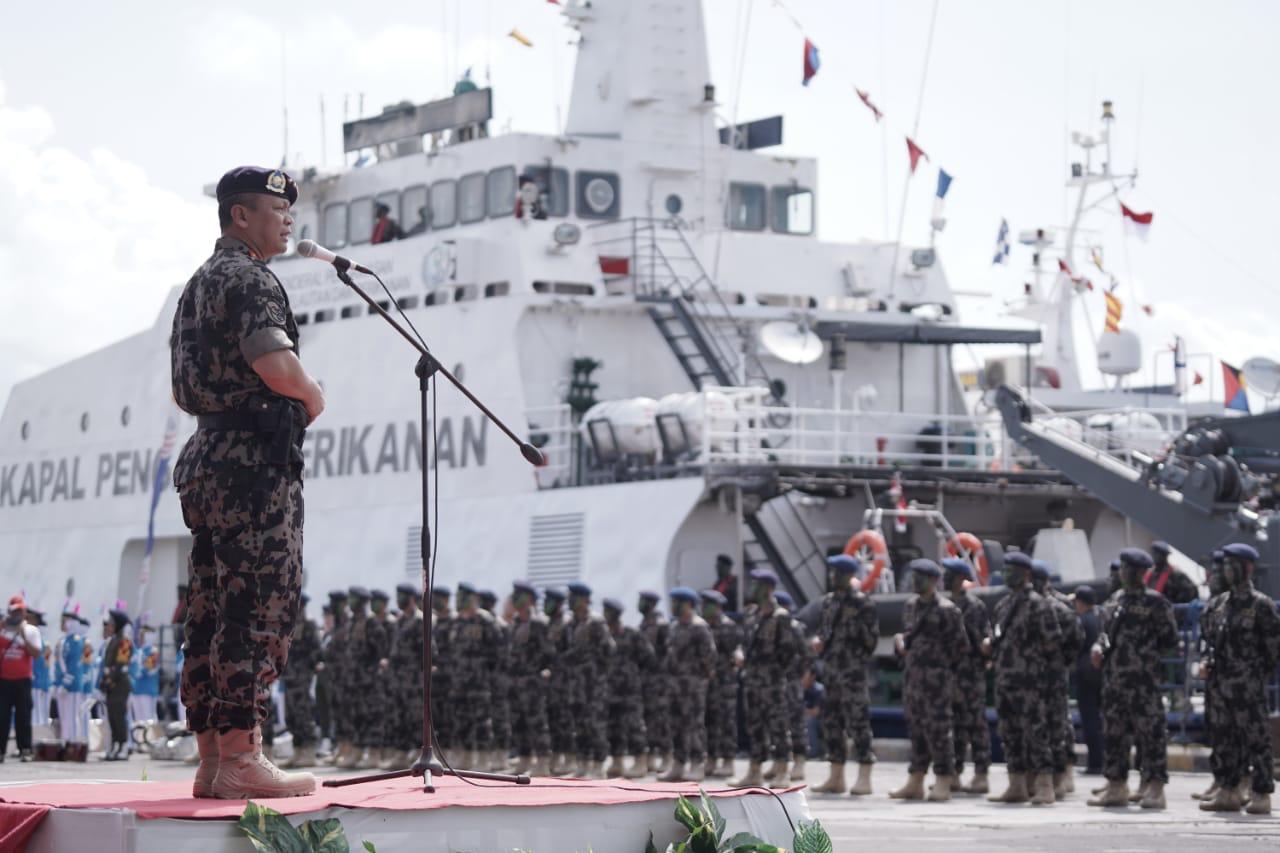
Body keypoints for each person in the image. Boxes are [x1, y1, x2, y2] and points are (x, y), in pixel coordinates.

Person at [171, 165, 321, 799]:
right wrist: (312, 396)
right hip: (252, 467)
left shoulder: (199, 282)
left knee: (209, 609)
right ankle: (242, 754)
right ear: (240, 216)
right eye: (275, 209)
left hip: (209, 455)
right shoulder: (249, 278)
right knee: (257, 603)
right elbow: (274, 363)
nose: (287, 219)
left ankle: (212, 759)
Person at [1087, 548, 1179, 810]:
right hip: (1114, 680)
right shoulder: (1114, 600)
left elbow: (1170, 639)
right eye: (1123, 568)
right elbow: (1105, 634)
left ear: (1141, 573)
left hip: (1143, 682)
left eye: (1130, 569)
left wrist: (1145, 653)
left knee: (1151, 734)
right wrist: (1098, 648)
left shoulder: (1156, 602)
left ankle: (1154, 786)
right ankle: (1116, 786)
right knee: (1114, 734)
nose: (1125, 573)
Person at [1198, 543, 1280, 814]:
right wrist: (1206, 662)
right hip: (1220, 685)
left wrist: (1254, 674)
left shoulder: (1261, 605)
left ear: (1247, 568)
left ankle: (1260, 792)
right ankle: (1228, 790)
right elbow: (1208, 641)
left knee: (1256, 738)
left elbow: (1273, 649)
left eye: (1233, 565)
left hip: (1248, 686)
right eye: (1225, 565)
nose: (1227, 571)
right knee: (1224, 739)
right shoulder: (1218, 605)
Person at [984, 551, 1062, 805]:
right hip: (1005, 679)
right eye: (1006, 570)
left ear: (1026, 574)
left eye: (1012, 571)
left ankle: (1044, 784)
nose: (1008, 575)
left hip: (1030, 681)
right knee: (1009, 732)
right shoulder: (1003, 606)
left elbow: (1053, 644)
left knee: (1036, 732)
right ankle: (1016, 784)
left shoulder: (1039, 605)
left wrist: (1041, 675)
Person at [891, 559, 967, 802]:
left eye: (920, 577)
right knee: (917, 729)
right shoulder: (911, 606)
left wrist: (938, 665)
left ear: (933, 580)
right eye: (914, 577)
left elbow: (960, 647)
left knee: (939, 730)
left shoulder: (947, 610)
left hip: (936, 682)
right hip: (913, 679)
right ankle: (916, 779)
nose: (915, 581)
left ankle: (944, 778)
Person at [812, 555, 880, 796]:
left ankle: (864, 774)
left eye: (838, 573)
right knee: (831, 723)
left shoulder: (862, 604)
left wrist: (853, 630)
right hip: (831, 672)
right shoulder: (829, 602)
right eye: (833, 573)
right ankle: (836, 775)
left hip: (852, 674)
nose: (833, 577)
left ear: (849, 575)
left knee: (858, 723)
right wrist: (820, 641)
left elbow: (871, 641)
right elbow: (825, 630)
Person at [734, 569, 801, 789]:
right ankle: (755, 770)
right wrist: (740, 653)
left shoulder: (780, 617)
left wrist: (773, 669)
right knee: (754, 726)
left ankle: (782, 770)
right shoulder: (752, 614)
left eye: (757, 584)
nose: (752, 588)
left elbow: (789, 652)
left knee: (778, 726)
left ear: (769, 588)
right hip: (752, 681)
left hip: (772, 682)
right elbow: (744, 642)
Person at [1031, 560, 1084, 798]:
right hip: (1036, 675)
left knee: (1056, 724)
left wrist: (1060, 662)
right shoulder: (1027, 604)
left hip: (1052, 676)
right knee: (1047, 725)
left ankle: (1060, 776)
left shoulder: (1059, 607)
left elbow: (1076, 639)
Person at [941, 557, 992, 795]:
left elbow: (984, 639)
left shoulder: (974, 606)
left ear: (960, 578)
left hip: (970, 673)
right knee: (954, 725)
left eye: (949, 574)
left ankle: (981, 774)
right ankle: (954, 772)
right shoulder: (943, 604)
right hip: (948, 674)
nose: (945, 578)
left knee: (975, 723)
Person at [660, 587, 715, 782]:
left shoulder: (699, 627)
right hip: (675, 684)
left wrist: (699, 678)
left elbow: (709, 656)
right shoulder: (674, 626)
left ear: (689, 604)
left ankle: (697, 763)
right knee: (675, 724)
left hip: (693, 685)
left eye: (678, 602)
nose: (674, 606)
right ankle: (678, 762)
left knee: (694, 725)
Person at [564, 582, 615, 778]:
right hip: (576, 684)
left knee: (595, 724)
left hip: (593, 684)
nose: (569, 600)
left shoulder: (595, 622)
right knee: (579, 725)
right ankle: (583, 763)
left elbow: (609, 651)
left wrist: (596, 671)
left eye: (573, 597)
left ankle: (598, 765)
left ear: (584, 600)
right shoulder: (571, 623)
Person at [450, 582, 499, 770]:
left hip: (480, 681)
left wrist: (488, 674)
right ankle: (465, 757)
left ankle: (484, 758)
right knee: (461, 721)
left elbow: (498, 650)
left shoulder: (485, 620)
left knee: (482, 722)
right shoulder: (457, 621)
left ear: (473, 599)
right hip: (460, 680)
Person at [507, 581, 553, 777]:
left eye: (519, 595)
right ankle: (524, 759)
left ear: (529, 599)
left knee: (537, 722)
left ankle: (542, 761)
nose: (514, 598)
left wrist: (544, 672)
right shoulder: (517, 622)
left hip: (532, 682)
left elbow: (549, 652)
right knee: (518, 722)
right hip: (516, 681)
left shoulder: (539, 623)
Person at [602, 598, 652, 779]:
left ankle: (640, 761)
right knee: (613, 726)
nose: (605, 616)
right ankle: (617, 761)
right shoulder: (604, 635)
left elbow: (648, 656)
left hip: (629, 689)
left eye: (608, 612)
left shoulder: (632, 634)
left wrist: (633, 674)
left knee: (634, 725)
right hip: (610, 688)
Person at [699, 589, 742, 779]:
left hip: (725, 682)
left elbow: (737, 649)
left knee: (726, 721)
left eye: (707, 604)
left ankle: (728, 760)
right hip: (707, 682)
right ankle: (711, 758)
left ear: (717, 607)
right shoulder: (702, 626)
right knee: (709, 721)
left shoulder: (728, 626)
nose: (703, 608)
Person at [774, 590, 814, 782]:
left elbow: (806, 654)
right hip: (776, 681)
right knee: (777, 723)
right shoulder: (772, 626)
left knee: (796, 722)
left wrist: (803, 676)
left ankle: (799, 761)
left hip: (792, 681)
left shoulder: (795, 628)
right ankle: (778, 762)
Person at [280, 594, 321, 769]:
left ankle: (309, 751)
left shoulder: (309, 624)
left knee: (303, 713)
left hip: (302, 677)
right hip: (289, 676)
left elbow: (316, 650)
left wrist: (306, 667)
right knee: (291, 714)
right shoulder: (288, 624)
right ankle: (297, 750)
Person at [0, 596, 43, 762]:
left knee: (23, 716)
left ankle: (25, 749)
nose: (17, 614)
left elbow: (36, 653)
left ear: (24, 612)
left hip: (23, 680)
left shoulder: (31, 630)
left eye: (20, 611)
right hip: (4, 680)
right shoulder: (2, 629)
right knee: (2, 716)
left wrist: (23, 635)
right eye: (14, 611)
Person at [387, 583, 425, 769]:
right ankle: (401, 753)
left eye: (402, 596)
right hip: (399, 678)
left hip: (414, 679)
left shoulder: (420, 620)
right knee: (399, 717)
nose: (398, 600)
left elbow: (427, 651)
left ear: (411, 598)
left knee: (416, 718)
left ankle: (419, 752)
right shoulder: (400, 620)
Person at [637, 590, 673, 774]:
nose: (639, 604)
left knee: (661, 718)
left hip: (659, 679)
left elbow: (668, 652)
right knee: (648, 718)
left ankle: (667, 756)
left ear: (650, 603)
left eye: (642, 601)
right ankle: (650, 755)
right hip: (645, 678)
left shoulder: (661, 624)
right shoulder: (644, 623)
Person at [477, 590, 512, 772]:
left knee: (499, 719)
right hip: (485, 680)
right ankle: (489, 756)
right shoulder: (481, 623)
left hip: (497, 680)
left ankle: (501, 756)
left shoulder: (497, 625)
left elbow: (502, 655)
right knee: (485, 719)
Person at [1072, 586, 1104, 776]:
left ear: (1081, 602)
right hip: (1102, 673)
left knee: (1089, 719)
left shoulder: (1082, 621)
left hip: (1085, 673)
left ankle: (1095, 762)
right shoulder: (1102, 617)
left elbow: (1075, 644)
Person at [98, 609, 133, 761]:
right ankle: (115, 745)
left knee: (119, 716)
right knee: (112, 717)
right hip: (111, 684)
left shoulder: (124, 641)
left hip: (120, 684)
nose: (109, 627)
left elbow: (121, 665)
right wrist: (104, 682)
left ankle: (123, 746)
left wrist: (110, 680)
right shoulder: (112, 641)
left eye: (111, 624)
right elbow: (107, 665)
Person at [53, 606, 88, 744]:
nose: (62, 624)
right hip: (62, 684)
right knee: (64, 718)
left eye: (64, 621)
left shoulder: (76, 640)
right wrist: (57, 683)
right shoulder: (64, 640)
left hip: (71, 686)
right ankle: (65, 743)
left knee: (71, 717)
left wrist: (66, 683)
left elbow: (74, 665)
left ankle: (73, 745)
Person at [128, 623, 160, 726]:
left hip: (147, 690)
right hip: (136, 689)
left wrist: (137, 671)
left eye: (143, 635)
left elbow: (148, 669)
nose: (140, 637)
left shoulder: (153, 651)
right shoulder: (138, 651)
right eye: (140, 634)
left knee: (148, 720)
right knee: (138, 722)